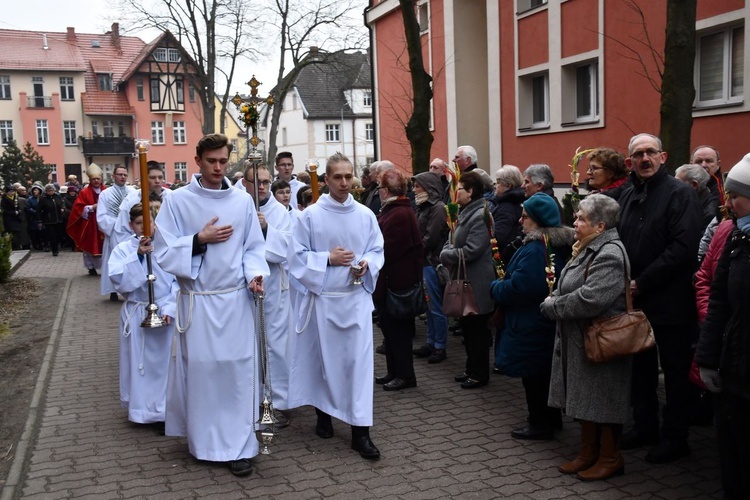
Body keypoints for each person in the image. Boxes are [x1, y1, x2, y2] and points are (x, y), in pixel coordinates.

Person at [152, 133, 269, 477]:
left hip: (235, 301)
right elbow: (162, 251)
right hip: (199, 303)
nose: (218, 168)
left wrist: (255, 274)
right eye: (211, 161)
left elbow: (253, 247)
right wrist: (198, 240)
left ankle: (239, 447)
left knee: (236, 371)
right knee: (203, 372)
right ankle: (204, 443)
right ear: (198, 161)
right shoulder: (177, 201)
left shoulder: (242, 201)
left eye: (223, 161)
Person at [287, 152, 384, 460]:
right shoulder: (311, 216)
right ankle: (324, 414)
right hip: (324, 301)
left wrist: (366, 264)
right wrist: (326, 259)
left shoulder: (366, 214)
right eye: (338, 177)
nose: (344, 183)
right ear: (326, 180)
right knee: (325, 363)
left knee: (358, 366)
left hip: (354, 300)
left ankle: (360, 432)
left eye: (348, 176)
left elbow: (377, 249)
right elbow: (295, 257)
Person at [617, 133, 703, 464]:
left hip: (670, 302)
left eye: (650, 152)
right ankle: (645, 427)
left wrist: (642, 282)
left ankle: (675, 437)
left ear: (663, 157)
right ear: (629, 163)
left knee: (676, 373)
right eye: (638, 154)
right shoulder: (628, 195)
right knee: (640, 370)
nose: (645, 159)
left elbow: (683, 249)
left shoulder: (680, 194)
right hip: (636, 301)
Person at [540, 194, 631, 480]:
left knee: (603, 400)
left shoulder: (610, 253)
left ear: (600, 226)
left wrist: (553, 305)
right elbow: (569, 284)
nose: (575, 223)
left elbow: (591, 299)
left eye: (581, 218)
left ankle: (610, 457)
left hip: (602, 339)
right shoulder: (588, 247)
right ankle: (587, 453)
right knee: (586, 398)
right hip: (583, 337)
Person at [491, 193, 573, 439]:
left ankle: (540, 423)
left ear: (537, 220)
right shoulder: (546, 245)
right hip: (539, 322)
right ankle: (550, 418)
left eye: (525, 216)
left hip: (532, 322)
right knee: (543, 374)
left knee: (535, 377)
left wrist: (495, 287)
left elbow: (521, 287)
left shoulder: (537, 249)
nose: (520, 221)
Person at [695, 153, 750, 499]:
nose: (726, 202)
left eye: (735, 195)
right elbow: (718, 302)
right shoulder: (735, 237)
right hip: (734, 367)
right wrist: (707, 358)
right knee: (732, 452)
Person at [109, 203, 178, 429]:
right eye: (139, 223)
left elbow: (178, 281)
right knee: (141, 364)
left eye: (148, 222)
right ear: (131, 225)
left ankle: (164, 409)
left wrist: (169, 308)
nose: (144, 228)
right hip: (138, 310)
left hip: (165, 311)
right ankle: (142, 410)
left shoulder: (167, 246)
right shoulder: (123, 249)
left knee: (164, 365)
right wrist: (138, 257)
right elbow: (119, 280)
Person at [237, 162, 293, 427]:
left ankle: (276, 400)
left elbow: (286, 249)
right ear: (244, 183)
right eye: (255, 182)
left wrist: (267, 230)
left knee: (275, 346)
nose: (261, 187)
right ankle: (249, 399)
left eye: (266, 182)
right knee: (249, 343)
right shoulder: (237, 205)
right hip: (244, 286)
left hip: (273, 289)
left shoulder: (279, 212)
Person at [440, 171, 496, 389]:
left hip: (476, 282)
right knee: (468, 328)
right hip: (465, 279)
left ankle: (480, 373)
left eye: (459, 189)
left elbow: (472, 249)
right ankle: (471, 368)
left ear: (470, 192)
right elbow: (450, 239)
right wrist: (448, 250)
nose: (455, 193)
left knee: (478, 331)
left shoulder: (481, 214)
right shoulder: (465, 213)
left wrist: (447, 254)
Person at [373, 169, 424, 391]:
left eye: (380, 189)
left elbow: (387, 249)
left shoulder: (398, 213)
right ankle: (394, 371)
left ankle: (405, 375)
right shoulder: (395, 210)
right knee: (389, 330)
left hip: (397, 283)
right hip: (391, 281)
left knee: (399, 333)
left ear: (385, 191)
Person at [411, 172, 449, 364]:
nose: (414, 190)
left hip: (432, 262)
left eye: (418, 186)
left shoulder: (438, 208)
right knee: (428, 305)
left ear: (428, 187)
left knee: (435, 306)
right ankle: (431, 341)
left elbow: (430, 237)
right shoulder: (423, 207)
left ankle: (440, 346)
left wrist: (415, 250)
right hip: (423, 261)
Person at [97, 165, 135, 301]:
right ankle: (113, 290)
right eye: (120, 174)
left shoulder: (133, 192)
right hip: (114, 232)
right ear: (113, 176)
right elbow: (101, 216)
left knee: (131, 260)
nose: (123, 177)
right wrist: (117, 224)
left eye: (125, 174)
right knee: (113, 260)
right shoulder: (105, 194)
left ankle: (131, 287)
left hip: (131, 231)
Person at [114, 162, 170, 245]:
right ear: (144, 179)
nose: (157, 181)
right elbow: (122, 230)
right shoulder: (131, 200)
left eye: (160, 177)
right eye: (152, 177)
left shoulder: (172, 197)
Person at [67, 164, 106, 275]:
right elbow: (78, 208)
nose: (96, 181)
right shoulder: (84, 192)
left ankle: (105, 267)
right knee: (90, 243)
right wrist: (91, 207)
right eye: (94, 179)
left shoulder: (107, 190)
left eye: (98, 178)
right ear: (90, 180)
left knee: (105, 245)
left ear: (101, 179)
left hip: (105, 221)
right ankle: (91, 267)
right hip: (90, 223)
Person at [490, 165, 525, 262]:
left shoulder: (506, 207)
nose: (495, 186)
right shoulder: (514, 202)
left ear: (508, 185)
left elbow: (498, 237)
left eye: (498, 182)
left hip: (503, 258)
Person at [675, 163, 715, 231]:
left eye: (677, 182)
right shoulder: (687, 201)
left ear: (694, 185)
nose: (674, 185)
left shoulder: (709, 213)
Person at [37, 184, 66, 256]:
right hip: (49, 220)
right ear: (46, 191)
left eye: (52, 190)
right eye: (49, 191)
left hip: (58, 219)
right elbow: (39, 210)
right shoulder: (43, 199)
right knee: (52, 236)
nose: (50, 192)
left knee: (59, 234)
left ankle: (57, 247)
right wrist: (39, 220)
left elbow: (61, 203)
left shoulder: (57, 196)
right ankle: (54, 250)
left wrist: (62, 208)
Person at [2, 185, 23, 250]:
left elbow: (18, 207)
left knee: (18, 233)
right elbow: (4, 210)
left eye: (13, 191)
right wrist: (13, 213)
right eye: (10, 192)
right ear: (7, 192)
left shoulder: (15, 198)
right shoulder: (4, 199)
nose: (12, 193)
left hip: (16, 218)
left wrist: (19, 211)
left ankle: (18, 245)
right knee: (12, 234)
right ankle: (15, 246)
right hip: (9, 219)